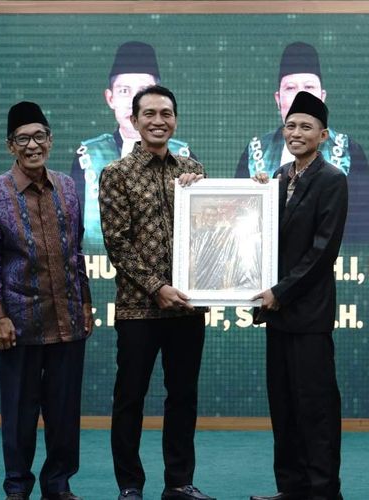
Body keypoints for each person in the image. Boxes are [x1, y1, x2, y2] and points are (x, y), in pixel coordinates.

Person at [98, 85, 215, 500]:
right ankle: (130, 485)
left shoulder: (193, 171)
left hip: (187, 308)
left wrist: (207, 194)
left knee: (183, 398)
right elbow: (117, 242)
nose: (158, 121)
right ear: (134, 120)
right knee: (130, 398)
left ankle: (179, 482)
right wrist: (156, 287)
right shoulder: (116, 174)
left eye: (166, 113)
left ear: (175, 121)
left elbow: (212, 233)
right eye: (149, 113)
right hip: (138, 310)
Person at [0, 101, 93, 500]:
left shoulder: (68, 187)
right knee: (20, 412)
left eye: (39, 136)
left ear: (50, 140)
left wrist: (85, 303)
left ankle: (58, 485)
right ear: (10, 146)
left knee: (64, 412)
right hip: (19, 322)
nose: (32, 145)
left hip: (67, 319)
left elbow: (75, 251)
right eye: (23, 139)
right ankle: (17, 487)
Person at [250, 91, 348, 500]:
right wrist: (255, 198)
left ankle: (323, 492)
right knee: (285, 407)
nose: (296, 132)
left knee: (316, 410)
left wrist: (280, 292)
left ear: (323, 135)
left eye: (306, 126)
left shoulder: (332, 180)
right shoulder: (278, 178)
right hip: (278, 317)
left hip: (308, 316)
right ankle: (291, 489)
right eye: (290, 125)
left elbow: (322, 252)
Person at [236, 41, 369, 244]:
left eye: (309, 87)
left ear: (322, 96)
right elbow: (239, 223)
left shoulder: (349, 151)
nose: (300, 96)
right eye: (290, 88)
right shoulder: (256, 153)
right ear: (278, 99)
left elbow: (363, 232)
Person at [73, 41, 196, 247]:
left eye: (144, 91)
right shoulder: (88, 157)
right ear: (110, 98)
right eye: (124, 91)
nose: (134, 102)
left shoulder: (185, 157)